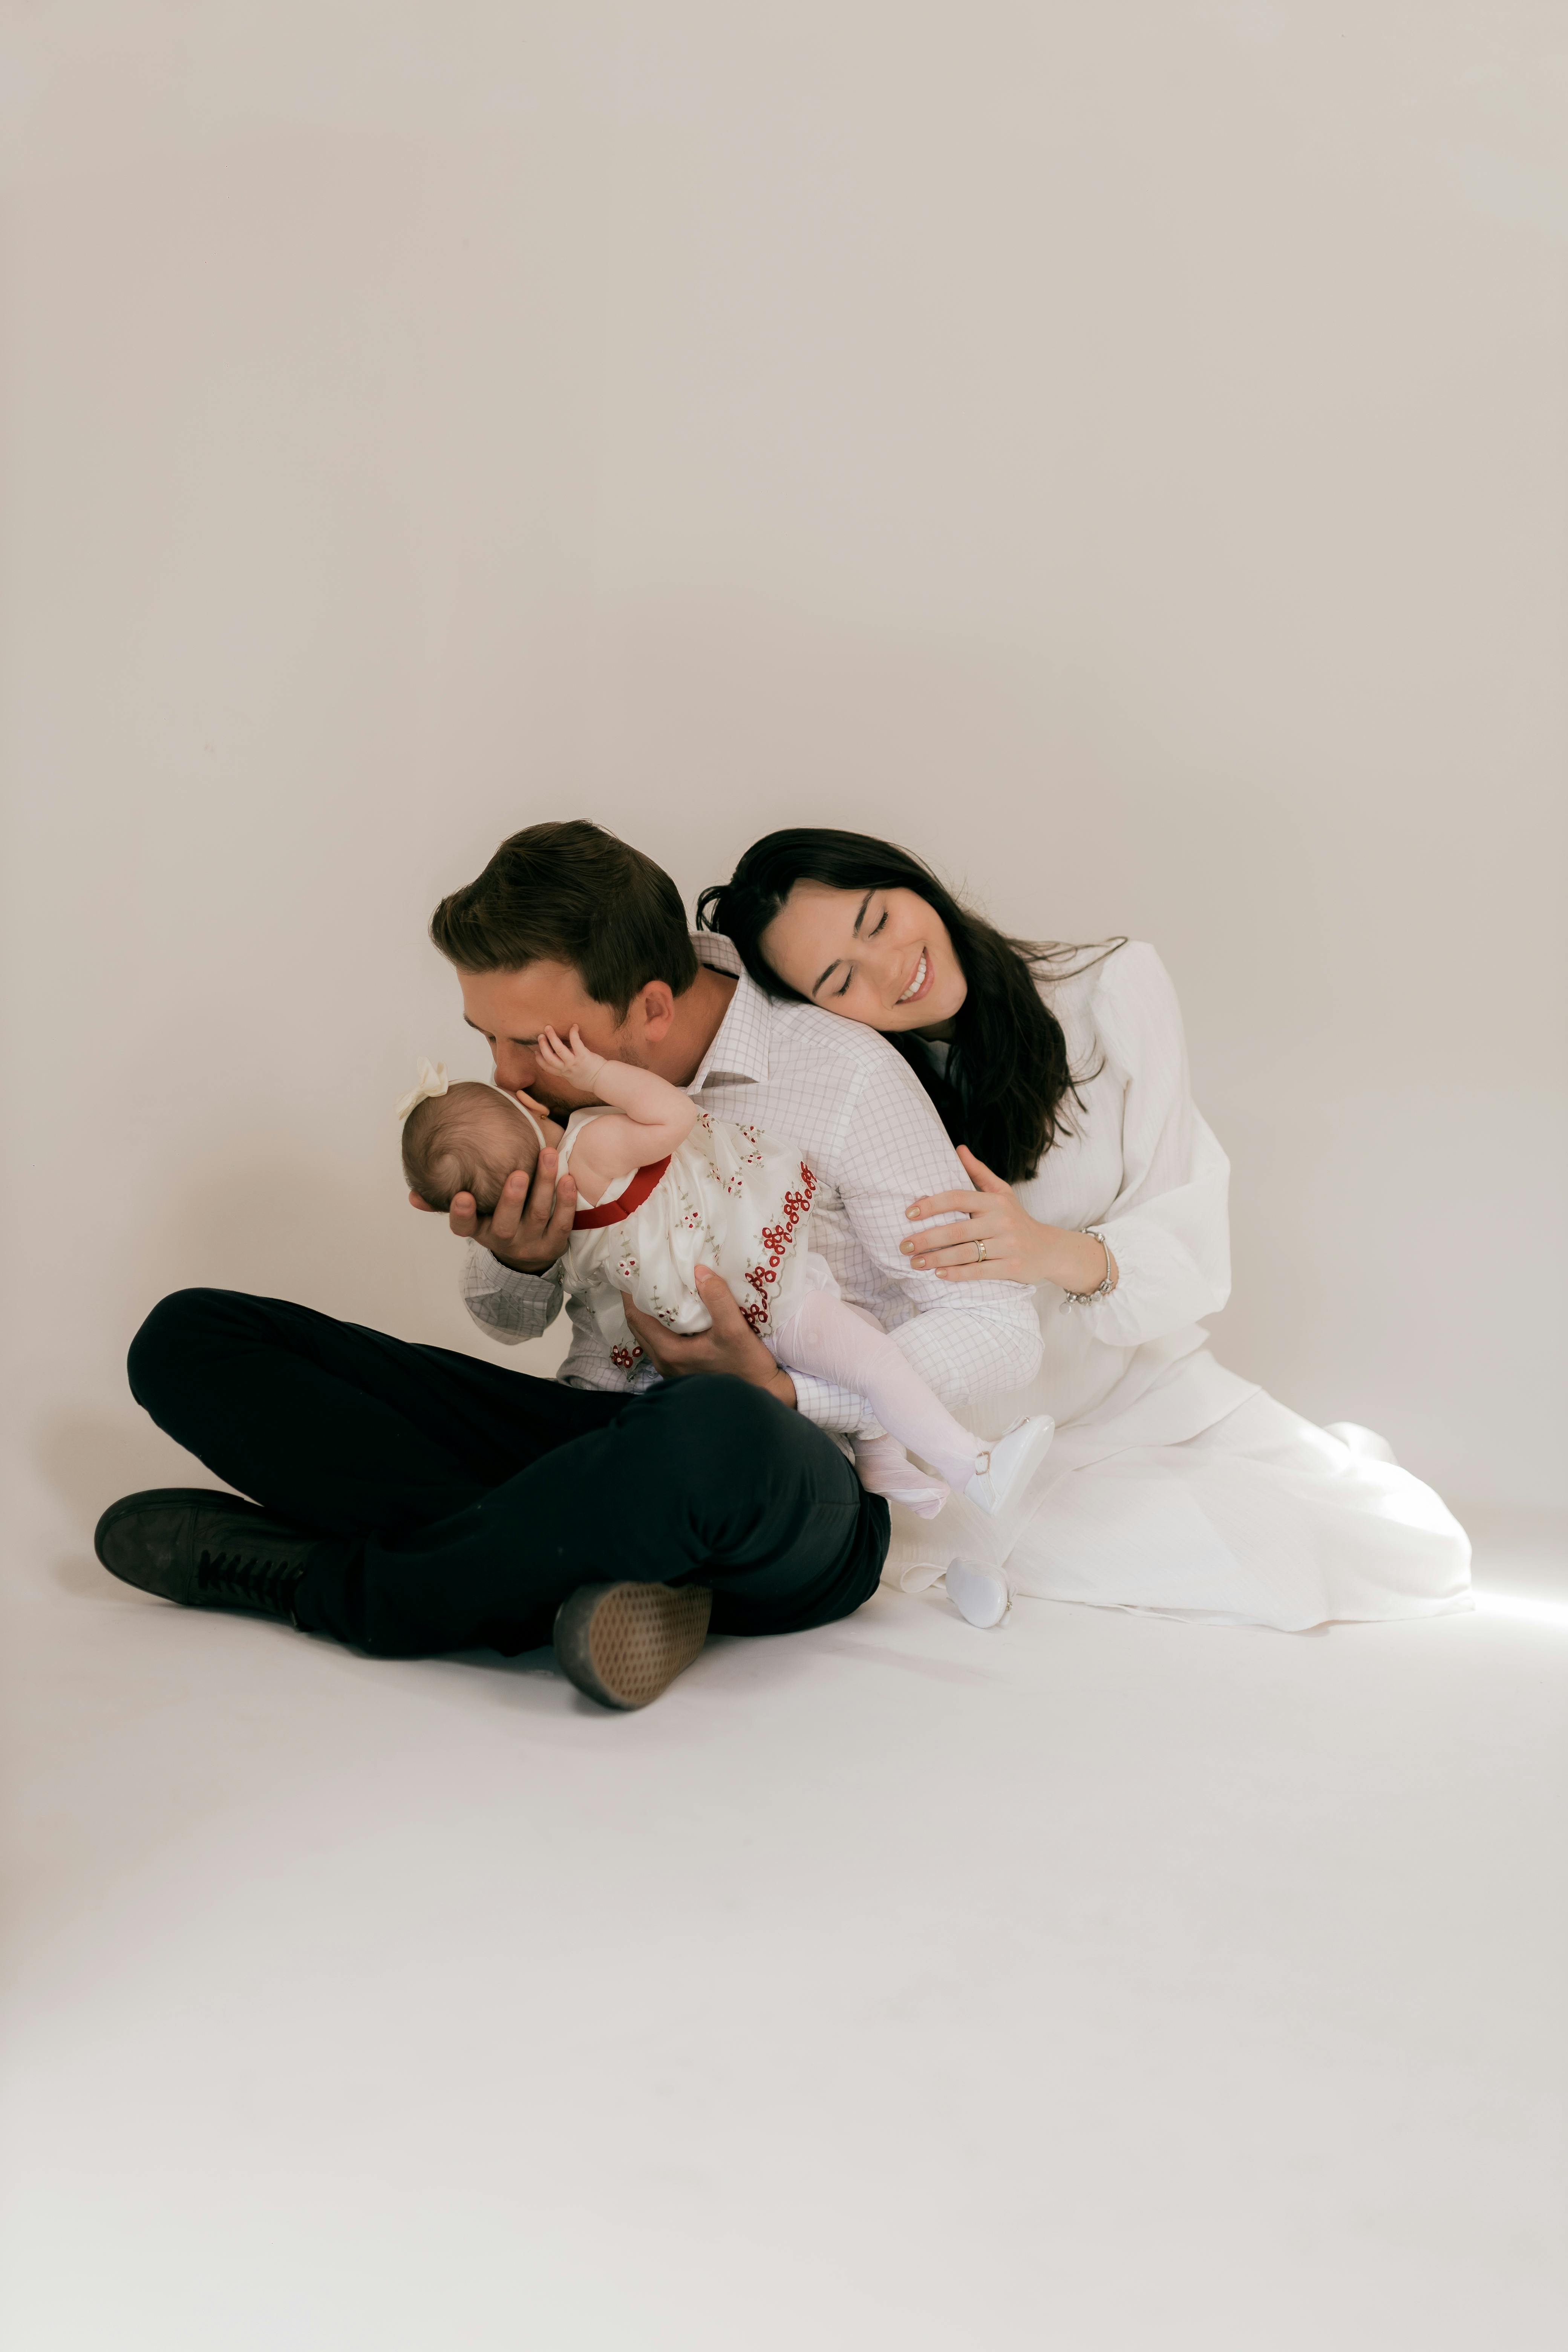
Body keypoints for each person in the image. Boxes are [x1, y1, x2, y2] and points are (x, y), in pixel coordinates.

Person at [94, 822, 1043, 1707]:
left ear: (652, 1009)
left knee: (715, 1426)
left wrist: (787, 1392)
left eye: (528, 1044)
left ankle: (336, 1587)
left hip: (781, 1481)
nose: (506, 1074)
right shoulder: (545, 1099)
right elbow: (509, 1326)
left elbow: (999, 1329)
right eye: (487, 1038)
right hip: (591, 1438)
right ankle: (596, 1574)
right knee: (190, 1339)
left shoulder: (842, 1077)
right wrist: (521, 1259)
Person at [699, 827, 1473, 1631]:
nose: (890, 968)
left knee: (1407, 1548)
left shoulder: (1111, 989)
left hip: (1137, 1380)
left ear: (909, 880)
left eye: (878, 921)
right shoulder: (857, 1083)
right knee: (1266, 1561)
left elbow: (1189, 1242)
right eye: (840, 980)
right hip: (991, 1423)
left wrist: (1049, 1251)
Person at [398, 1036, 1053, 1526]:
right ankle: (976, 1465)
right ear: (523, 1108)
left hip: (705, 1323)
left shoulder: (557, 1229)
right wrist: (596, 1075)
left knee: (863, 1338)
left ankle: (881, 1466)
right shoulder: (589, 1148)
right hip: (762, 1294)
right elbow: (673, 1117)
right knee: (879, 1361)